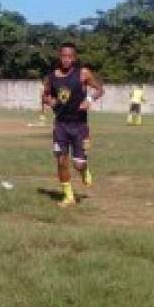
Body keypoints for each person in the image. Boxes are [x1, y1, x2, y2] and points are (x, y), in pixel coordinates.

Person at [42, 42, 104, 207]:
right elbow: (45, 96)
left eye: (70, 56)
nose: (66, 59)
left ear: (74, 58)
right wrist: (51, 101)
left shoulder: (83, 73)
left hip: (79, 126)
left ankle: (84, 171)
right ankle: (68, 196)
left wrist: (89, 100)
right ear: (59, 56)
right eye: (64, 56)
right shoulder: (51, 77)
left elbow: (99, 89)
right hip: (60, 125)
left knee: (78, 164)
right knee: (61, 160)